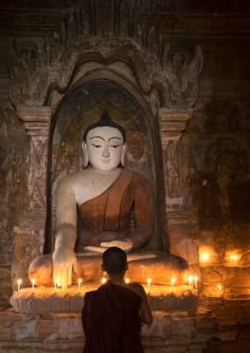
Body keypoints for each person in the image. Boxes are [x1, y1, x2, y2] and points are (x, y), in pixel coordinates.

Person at [27, 111, 188, 287]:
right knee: (40, 270)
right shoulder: (69, 183)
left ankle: (102, 275)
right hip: (86, 255)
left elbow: (145, 227)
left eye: (114, 146)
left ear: (123, 150)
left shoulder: (138, 181)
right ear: (85, 149)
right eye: (96, 145)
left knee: (176, 268)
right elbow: (67, 226)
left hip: (126, 255)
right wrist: (63, 249)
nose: (105, 153)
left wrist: (127, 243)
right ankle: (110, 275)